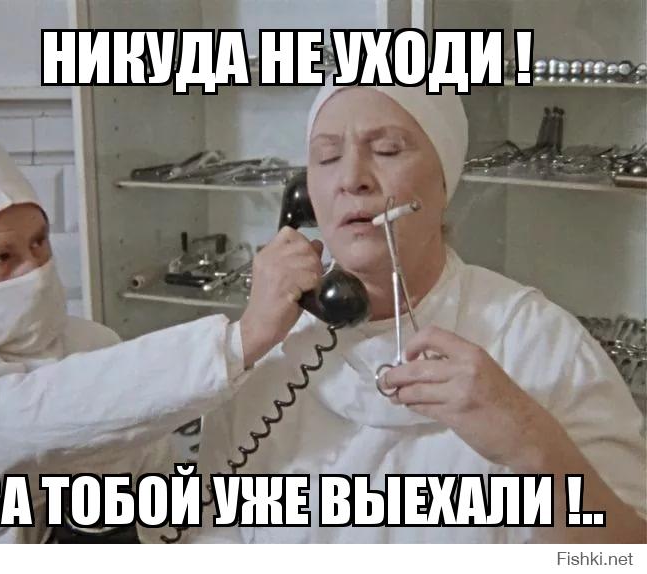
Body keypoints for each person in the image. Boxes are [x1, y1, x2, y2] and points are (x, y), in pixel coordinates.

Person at [190, 81, 647, 543]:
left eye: (387, 150)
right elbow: (213, 535)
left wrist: (533, 445)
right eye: (327, 157)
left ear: (444, 181)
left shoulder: (540, 344)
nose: (352, 178)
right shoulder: (267, 352)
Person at [0, 133, 324, 543]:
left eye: (39, 241)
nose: (33, 269)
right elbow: (39, 413)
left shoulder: (92, 342)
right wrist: (242, 339)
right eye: (2, 257)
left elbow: (156, 487)